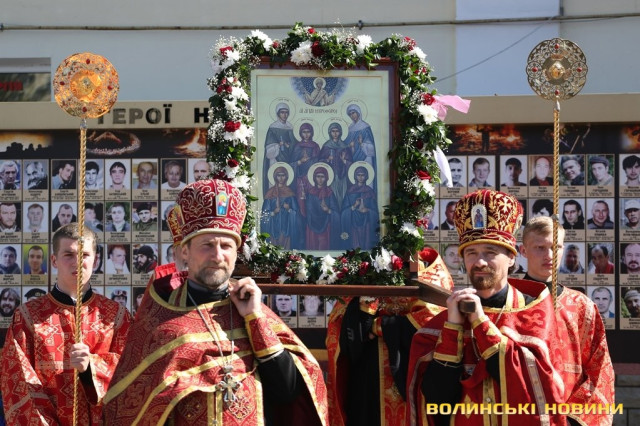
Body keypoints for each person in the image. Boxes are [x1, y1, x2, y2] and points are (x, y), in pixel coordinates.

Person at [103, 179, 329, 425]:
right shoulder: (161, 317)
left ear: (236, 253)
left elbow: (288, 391)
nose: (218, 255)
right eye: (207, 245)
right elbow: (130, 408)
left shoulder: (253, 311)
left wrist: (255, 320)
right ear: (185, 251)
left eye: (226, 246)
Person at [407, 189, 565, 426]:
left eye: (490, 252)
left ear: (511, 258)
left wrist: (480, 322)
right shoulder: (445, 321)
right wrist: (452, 327)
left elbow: (533, 389)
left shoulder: (534, 311)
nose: (479, 262)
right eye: (471, 253)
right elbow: (437, 400)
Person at [1, 223, 132, 425]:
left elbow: (132, 375)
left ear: (96, 260)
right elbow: (18, 384)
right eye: (69, 255)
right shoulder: (27, 317)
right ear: (54, 260)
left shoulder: (117, 316)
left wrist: (91, 368)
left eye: (84, 255)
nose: (77, 262)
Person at [327, 246, 453, 426]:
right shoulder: (365, 272)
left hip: (408, 369)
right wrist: (365, 308)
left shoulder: (430, 275)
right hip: (368, 376)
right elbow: (343, 325)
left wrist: (379, 326)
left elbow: (434, 321)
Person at [519, 216, 615, 426]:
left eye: (556, 247)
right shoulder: (509, 302)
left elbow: (600, 370)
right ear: (523, 251)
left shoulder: (581, 307)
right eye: (540, 248)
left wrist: (573, 419)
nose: (549, 255)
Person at [261, 164, 301, 249]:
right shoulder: (270, 193)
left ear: (286, 177)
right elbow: (264, 214)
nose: (281, 178)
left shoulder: (290, 193)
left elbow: (297, 213)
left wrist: (289, 209)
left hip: (287, 227)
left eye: (283, 175)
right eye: (278, 175)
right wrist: (273, 212)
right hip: (273, 228)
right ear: (275, 177)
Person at [340, 164, 379, 251]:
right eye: (358, 175)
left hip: (366, 223)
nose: (360, 177)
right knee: (354, 245)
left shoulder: (370, 191)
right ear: (355, 176)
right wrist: (354, 206)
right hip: (353, 223)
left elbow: (375, 211)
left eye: (363, 175)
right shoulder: (350, 191)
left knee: (366, 244)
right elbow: (343, 211)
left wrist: (367, 210)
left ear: (366, 176)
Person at [263, 102, 297, 193]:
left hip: (288, 159)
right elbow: (269, 151)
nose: (284, 115)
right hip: (275, 159)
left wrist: (289, 145)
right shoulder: (273, 127)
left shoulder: (290, 127)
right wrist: (278, 145)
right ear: (278, 114)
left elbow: (294, 144)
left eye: (286, 112)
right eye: (282, 112)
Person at [305, 165, 341, 250]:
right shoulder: (310, 192)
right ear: (314, 178)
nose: (320, 179)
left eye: (322, 177)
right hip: (312, 224)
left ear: (326, 178)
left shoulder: (329, 193)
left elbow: (336, 212)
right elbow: (308, 209)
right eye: (318, 176)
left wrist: (328, 210)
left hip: (326, 225)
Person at [318, 122, 352, 207]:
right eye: (333, 131)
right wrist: (327, 159)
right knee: (332, 195)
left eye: (337, 131)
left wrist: (344, 161)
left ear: (340, 132)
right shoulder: (326, 146)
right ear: (330, 132)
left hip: (342, 175)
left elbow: (351, 164)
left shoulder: (344, 146)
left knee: (342, 194)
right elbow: (320, 162)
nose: (335, 133)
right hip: (330, 176)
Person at [345, 104, 376, 173]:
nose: (352, 116)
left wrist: (361, 143)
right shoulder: (350, 128)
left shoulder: (365, 127)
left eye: (353, 113)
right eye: (350, 114)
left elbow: (371, 148)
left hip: (365, 158)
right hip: (353, 158)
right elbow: (346, 143)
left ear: (358, 113)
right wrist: (350, 145)